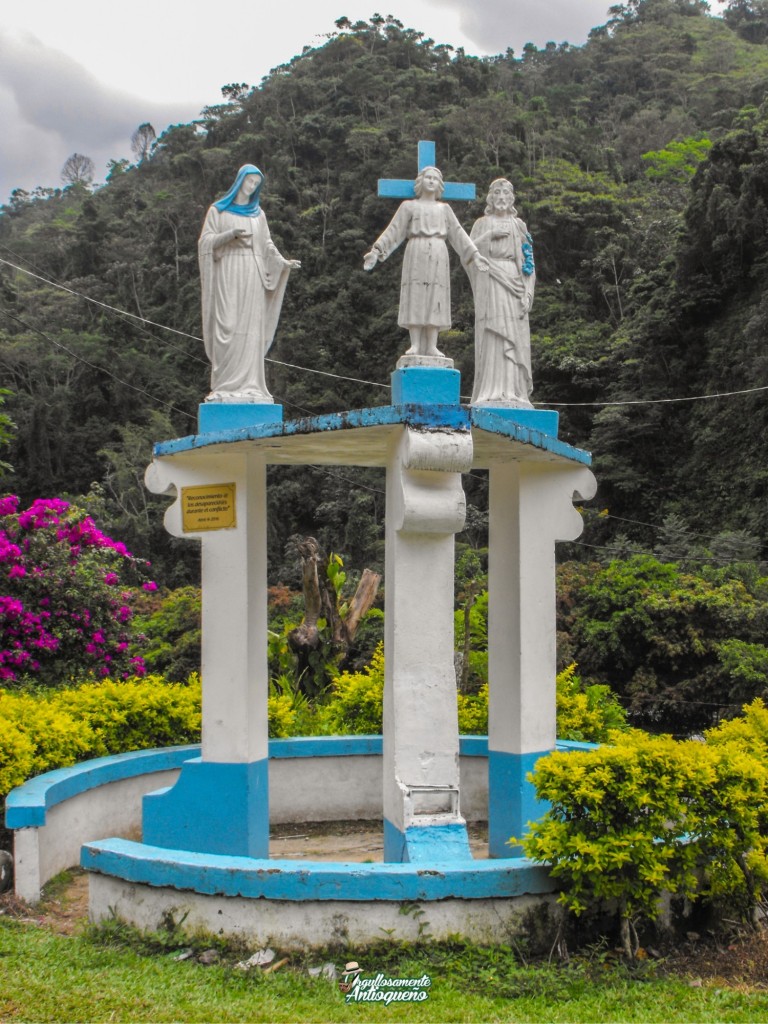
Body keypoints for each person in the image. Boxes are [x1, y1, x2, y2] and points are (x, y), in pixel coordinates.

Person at [198, 164, 300, 402]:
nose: (252, 186)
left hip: (252, 273)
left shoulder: (258, 215)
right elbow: (205, 243)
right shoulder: (218, 211)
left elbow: (267, 245)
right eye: (249, 181)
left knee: (250, 330)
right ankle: (224, 386)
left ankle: (250, 386)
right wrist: (229, 235)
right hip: (228, 271)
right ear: (240, 181)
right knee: (228, 326)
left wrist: (283, 263)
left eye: (256, 183)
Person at [363, 166, 487, 358]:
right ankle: (415, 344)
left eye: (435, 178)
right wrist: (376, 250)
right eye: (427, 177)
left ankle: (431, 346)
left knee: (436, 297)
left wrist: (475, 254)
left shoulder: (444, 209)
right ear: (420, 181)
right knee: (416, 296)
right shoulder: (409, 206)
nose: (431, 181)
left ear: (440, 184)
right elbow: (393, 231)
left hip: (439, 252)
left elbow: (458, 233)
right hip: (416, 251)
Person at [468, 178, 535, 407]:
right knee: (494, 335)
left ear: (512, 199)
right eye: (497, 193)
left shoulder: (519, 226)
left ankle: (514, 392)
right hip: (491, 279)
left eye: (506, 194)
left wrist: (527, 293)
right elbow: (468, 253)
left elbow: (529, 263)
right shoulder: (482, 223)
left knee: (515, 336)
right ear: (490, 198)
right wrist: (490, 236)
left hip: (514, 283)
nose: (502, 198)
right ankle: (491, 391)